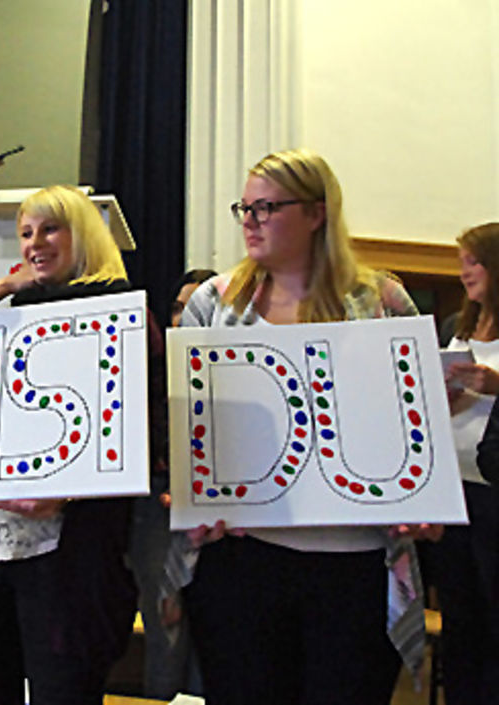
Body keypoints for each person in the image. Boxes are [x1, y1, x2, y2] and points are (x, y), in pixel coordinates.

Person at [163, 149, 430, 705]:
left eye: (268, 207)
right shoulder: (215, 303)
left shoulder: (380, 301)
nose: (250, 221)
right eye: (246, 208)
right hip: (243, 557)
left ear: (316, 213)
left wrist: (424, 495)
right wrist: (190, 492)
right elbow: (187, 426)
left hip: (353, 562)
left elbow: (417, 425)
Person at [0, 185, 149, 705]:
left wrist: (67, 496)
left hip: (64, 554)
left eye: (50, 229)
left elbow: (144, 436)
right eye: (24, 234)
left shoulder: (122, 313)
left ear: (83, 235)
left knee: (63, 692)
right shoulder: (8, 309)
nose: (35, 243)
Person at [126, 270, 214, 700]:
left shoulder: (232, 369)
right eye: (179, 307)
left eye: (196, 306)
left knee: (213, 629)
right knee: (165, 624)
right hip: (157, 503)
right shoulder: (151, 365)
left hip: (220, 512)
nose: (185, 316)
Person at [435, 222, 499, 704]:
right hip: (451, 486)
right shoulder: (455, 325)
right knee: (459, 618)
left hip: (493, 487)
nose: (464, 272)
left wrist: (493, 384)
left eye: (473, 262)